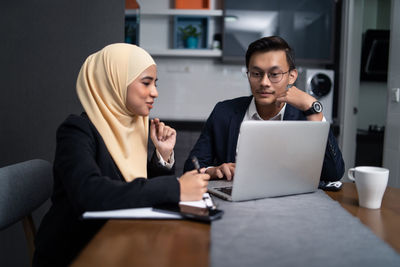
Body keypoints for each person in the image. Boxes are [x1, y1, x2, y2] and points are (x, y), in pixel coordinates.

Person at [33, 43, 210, 266]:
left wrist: (162, 156)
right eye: (146, 83)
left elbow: (136, 189)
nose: (154, 92)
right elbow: (89, 194)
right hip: (78, 252)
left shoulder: (132, 126)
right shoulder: (76, 130)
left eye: (155, 83)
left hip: (118, 241)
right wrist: (176, 188)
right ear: (113, 83)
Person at [183, 36, 344, 181]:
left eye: (274, 74)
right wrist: (213, 171)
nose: (264, 82)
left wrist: (314, 110)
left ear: (292, 76)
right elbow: (190, 169)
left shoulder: (306, 116)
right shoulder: (224, 112)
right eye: (256, 74)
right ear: (248, 75)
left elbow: (334, 174)